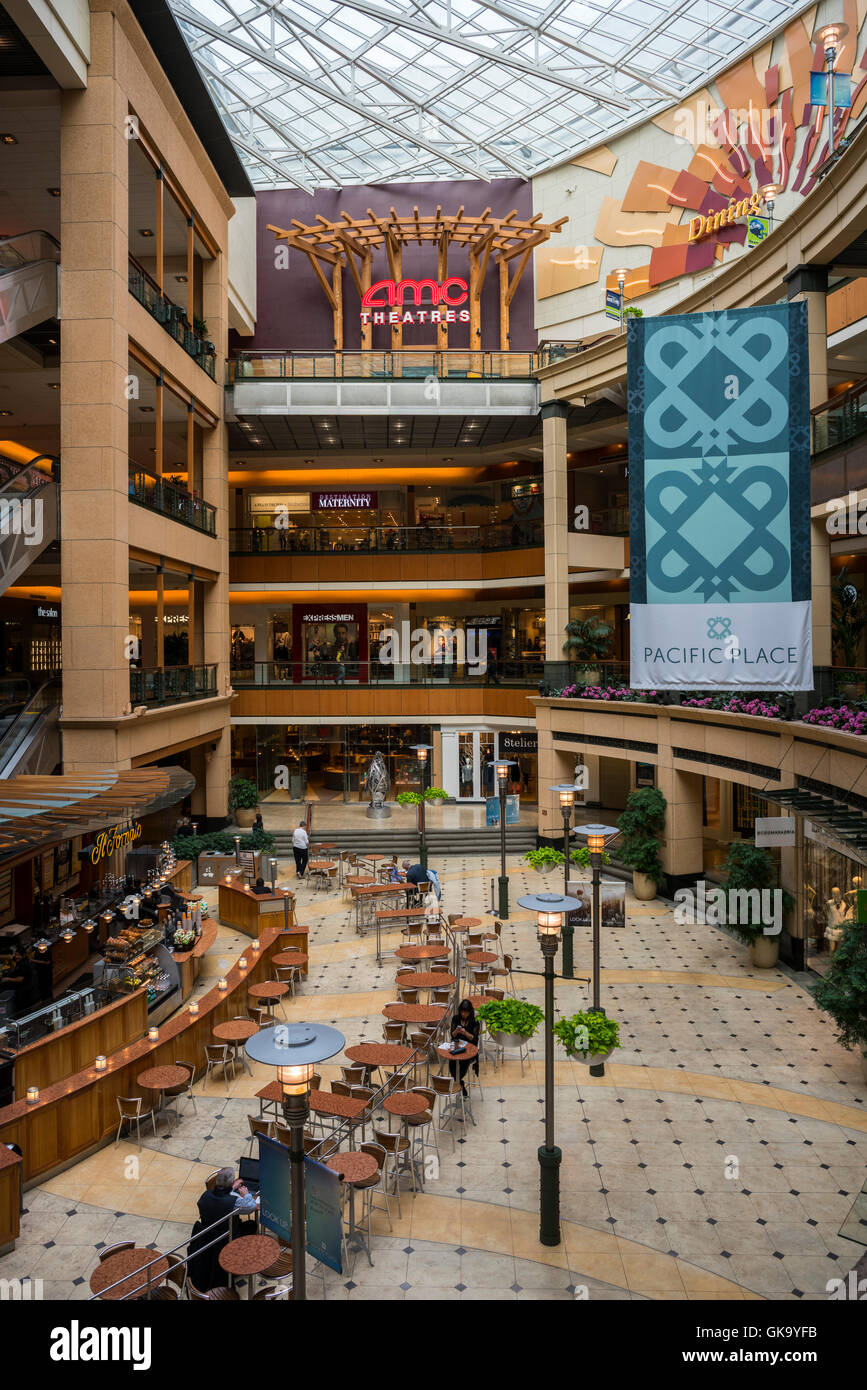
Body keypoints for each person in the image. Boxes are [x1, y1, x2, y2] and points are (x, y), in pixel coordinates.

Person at [188, 1167, 257, 1291]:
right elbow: (251, 1206)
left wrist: (231, 1187)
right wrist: (246, 1194)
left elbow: (218, 1198)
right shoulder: (234, 1202)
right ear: (231, 1183)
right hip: (227, 1237)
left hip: (207, 1235)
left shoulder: (205, 1195)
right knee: (251, 1225)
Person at [448, 999, 480, 1095]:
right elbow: (452, 1035)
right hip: (457, 1047)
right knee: (452, 1062)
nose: (463, 1014)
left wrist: (465, 1033)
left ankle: (458, 1082)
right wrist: (457, 1031)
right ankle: (460, 1083)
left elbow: (474, 1039)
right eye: (462, 1012)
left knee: (463, 1062)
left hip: (470, 1049)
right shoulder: (455, 1019)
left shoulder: (474, 1022)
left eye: (465, 1012)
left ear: (470, 1012)